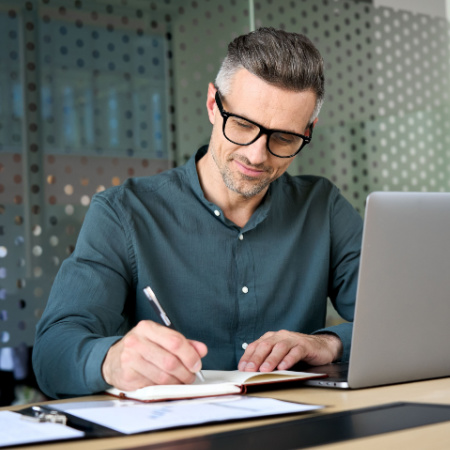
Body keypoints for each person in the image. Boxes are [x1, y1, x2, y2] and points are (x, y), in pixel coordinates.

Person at [33, 27, 363, 399]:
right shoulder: (123, 213)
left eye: (284, 138)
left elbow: (404, 325)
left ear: (308, 131)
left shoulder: (324, 208)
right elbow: (52, 353)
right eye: (242, 124)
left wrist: (330, 343)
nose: (257, 155)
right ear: (212, 104)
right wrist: (110, 360)